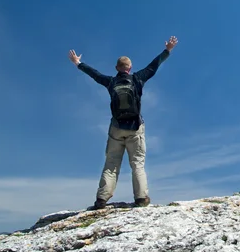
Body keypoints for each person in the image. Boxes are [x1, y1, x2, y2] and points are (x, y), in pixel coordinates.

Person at [68, 36, 178, 209]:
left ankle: (101, 200)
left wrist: (78, 63)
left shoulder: (111, 82)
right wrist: (168, 50)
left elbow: (94, 74)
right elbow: (154, 65)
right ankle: (141, 198)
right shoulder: (137, 78)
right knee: (137, 164)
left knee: (111, 163)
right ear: (130, 68)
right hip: (135, 128)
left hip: (116, 129)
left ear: (116, 68)